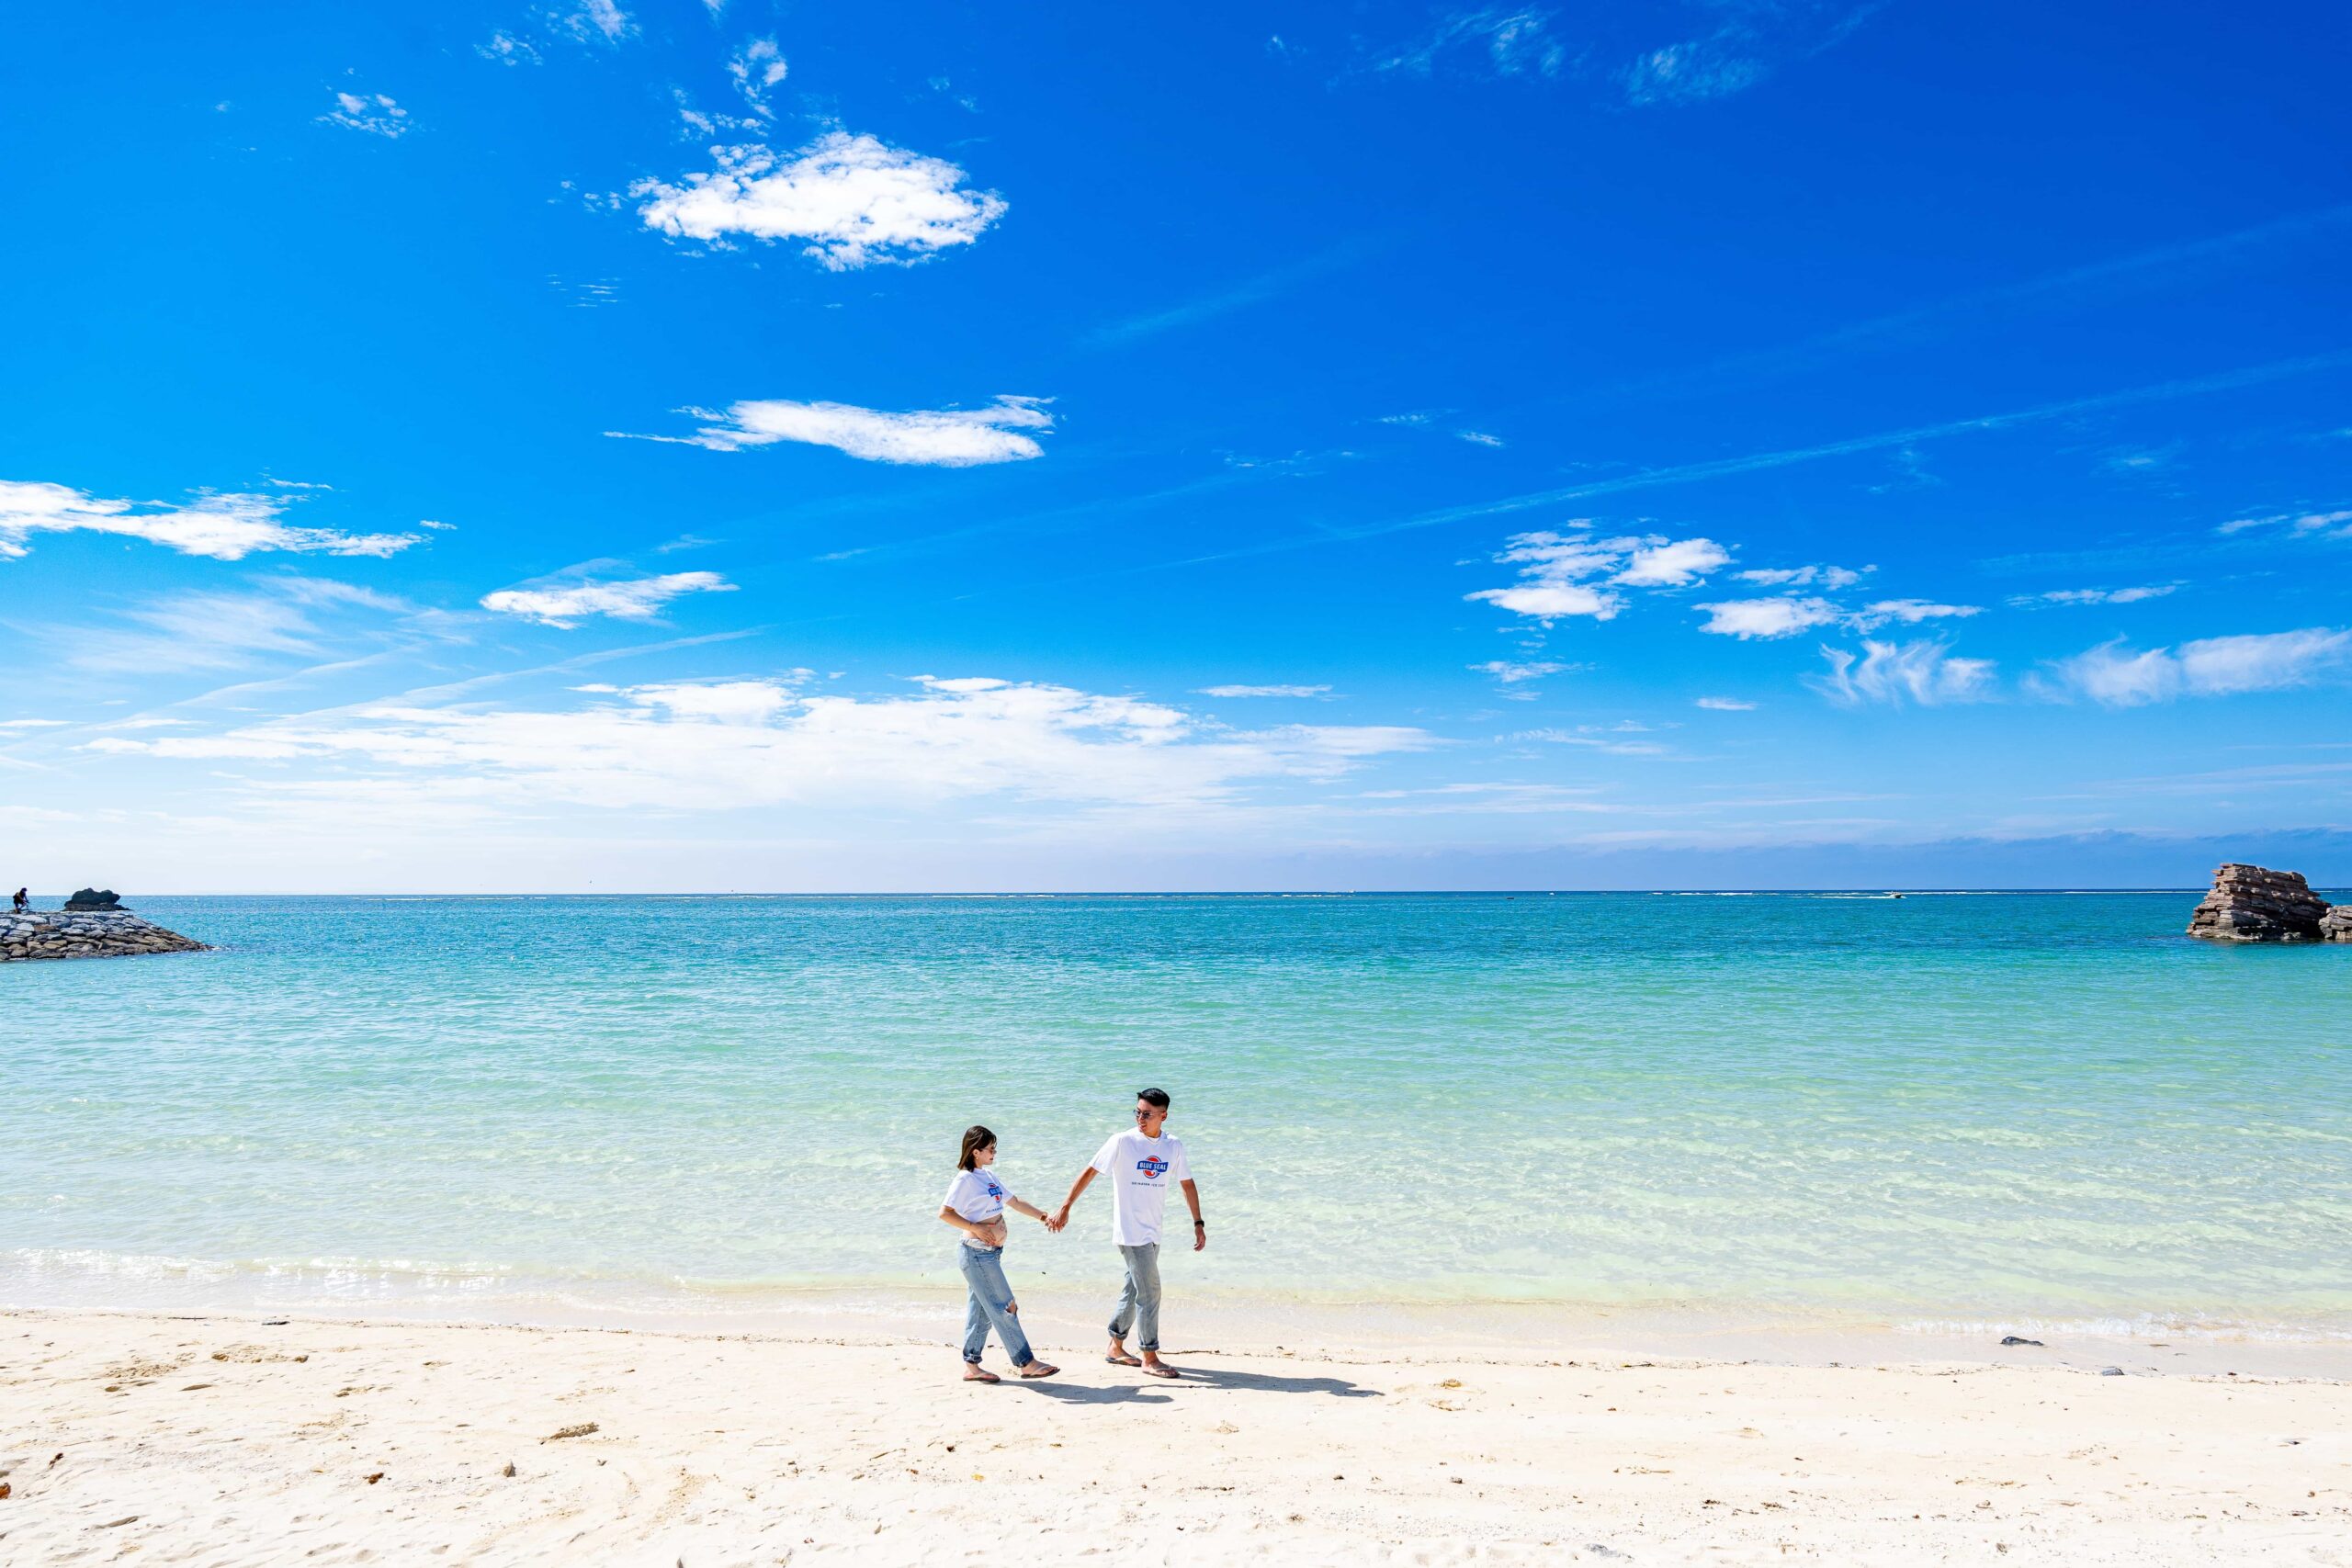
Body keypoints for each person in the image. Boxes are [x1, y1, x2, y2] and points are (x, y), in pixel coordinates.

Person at [1051, 1087, 1204, 1379]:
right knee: (1151, 1292)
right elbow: (1091, 1171)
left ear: (1164, 1116)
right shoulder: (1122, 1141)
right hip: (1131, 1232)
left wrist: (1198, 1223)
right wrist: (1066, 1206)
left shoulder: (1173, 1146)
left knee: (1133, 1288)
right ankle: (1149, 1355)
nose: (1140, 1118)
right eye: (1137, 1112)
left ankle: (1115, 1346)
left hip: (1153, 1231)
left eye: (1147, 1114)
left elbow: (1187, 1183)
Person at [938, 1124, 1059, 1383]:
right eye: (990, 1148)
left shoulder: (989, 1177)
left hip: (990, 1254)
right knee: (1006, 1306)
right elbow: (945, 1213)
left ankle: (972, 1366)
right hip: (975, 1253)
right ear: (975, 1152)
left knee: (980, 1310)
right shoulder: (964, 1180)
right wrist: (975, 1227)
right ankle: (1025, 1363)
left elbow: (1014, 1202)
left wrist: (1043, 1216)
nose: (994, 1152)